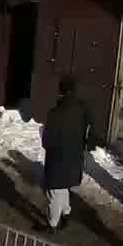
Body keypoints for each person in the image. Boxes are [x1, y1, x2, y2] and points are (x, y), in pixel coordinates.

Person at [40, 80, 91, 232]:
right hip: (74, 157)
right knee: (64, 187)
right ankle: (66, 213)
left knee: (54, 191)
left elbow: (47, 140)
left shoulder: (55, 114)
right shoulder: (82, 109)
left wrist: (44, 135)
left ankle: (52, 224)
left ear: (60, 92)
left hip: (58, 159)